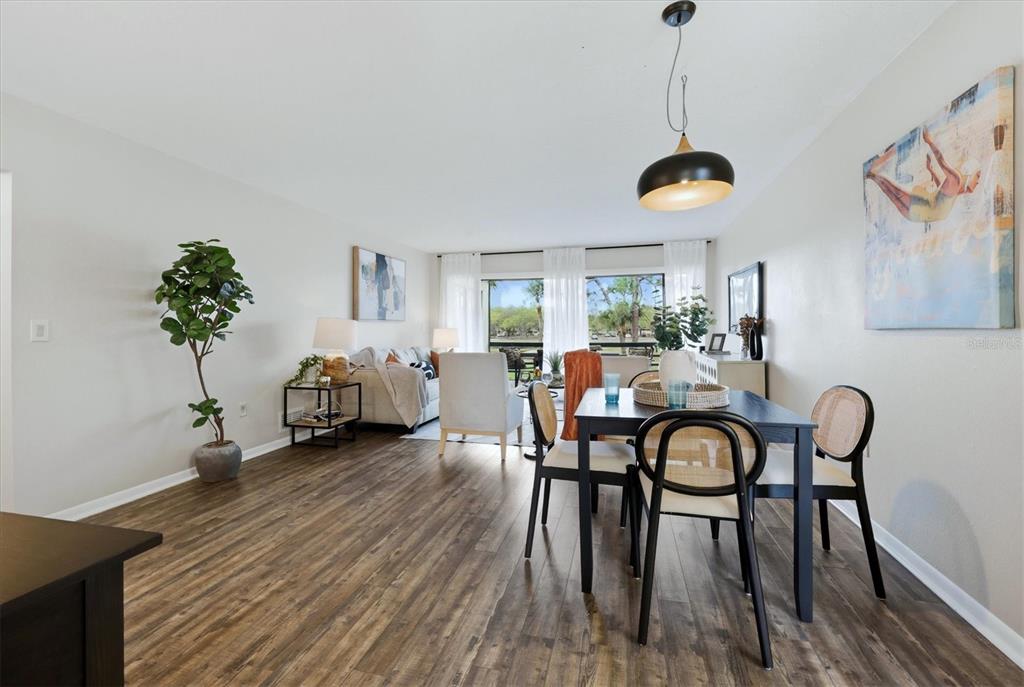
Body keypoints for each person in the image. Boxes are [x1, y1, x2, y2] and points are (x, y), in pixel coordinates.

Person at [866, 127, 980, 225]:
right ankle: (872, 174)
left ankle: (872, 174)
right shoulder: (956, 180)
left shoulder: (955, 190)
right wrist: (930, 142)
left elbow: (941, 188)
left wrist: (931, 171)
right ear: (969, 171)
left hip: (916, 216)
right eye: (978, 176)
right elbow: (942, 162)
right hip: (919, 209)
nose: (978, 181)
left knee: (891, 193)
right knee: (892, 191)